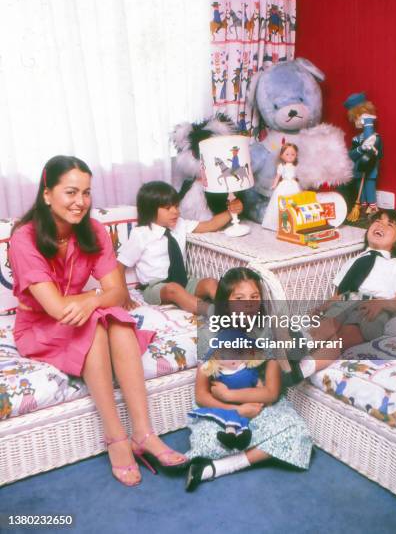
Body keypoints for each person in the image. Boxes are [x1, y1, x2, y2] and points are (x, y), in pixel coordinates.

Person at [9, 156, 186, 487]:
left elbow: (116, 292)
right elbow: (55, 309)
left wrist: (91, 300)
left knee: (116, 320)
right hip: (39, 327)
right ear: (47, 194)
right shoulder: (25, 237)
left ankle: (144, 432)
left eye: (87, 193)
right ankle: (115, 437)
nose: (80, 202)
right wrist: (93, 300)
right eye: (71, 192)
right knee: (99, 322)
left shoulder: (93, 231)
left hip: (80, 314)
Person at [185, 267, 313, 491]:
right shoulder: (209, 334)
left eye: (254, 297)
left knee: (298, 432)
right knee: (207, 440)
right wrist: (232, 409)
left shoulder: (267, 332)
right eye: (239, 298)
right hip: (220, 409)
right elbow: (202, 394)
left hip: (258, 402)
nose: (248, 305)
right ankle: (238, 454)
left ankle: (218, 467)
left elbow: (271, 392)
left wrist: (233, 396)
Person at [289, 210, 396, 382]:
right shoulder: (353, 261)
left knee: (344, 337)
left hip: (371, 307)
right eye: (378, 221)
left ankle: (305, 368)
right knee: (326, 323)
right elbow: (339, 294)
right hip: (346, 301)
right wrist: (323, 306)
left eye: (389, 225)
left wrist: (382, 304)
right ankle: (296, 347)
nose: (380, 225)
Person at [117, 181, 242, 314]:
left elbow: (210, 225)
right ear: (150, 209)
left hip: (184, 281)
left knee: (210, 283)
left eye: (176, 206)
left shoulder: (180, 224)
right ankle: (216, 313)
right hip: (156, 288)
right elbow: (119, 265)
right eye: (168, 208)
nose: (175, 212)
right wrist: (124, 295)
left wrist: (231, 212)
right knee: (174, 289)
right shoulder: (141, 234)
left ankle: (234, 310)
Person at [262, 142, 301, 231]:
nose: (290, 156)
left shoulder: (296, 167)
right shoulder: (281, 166)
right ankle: (277, 224)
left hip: (294, 185)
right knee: (280, 203)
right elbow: (277, 177)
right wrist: (274, 184)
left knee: (294, 203)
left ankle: (294, 222)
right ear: (281, 155)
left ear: (296, 156)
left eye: (293, 154)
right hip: (284, 185)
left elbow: (299, 176)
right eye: (287, 154)